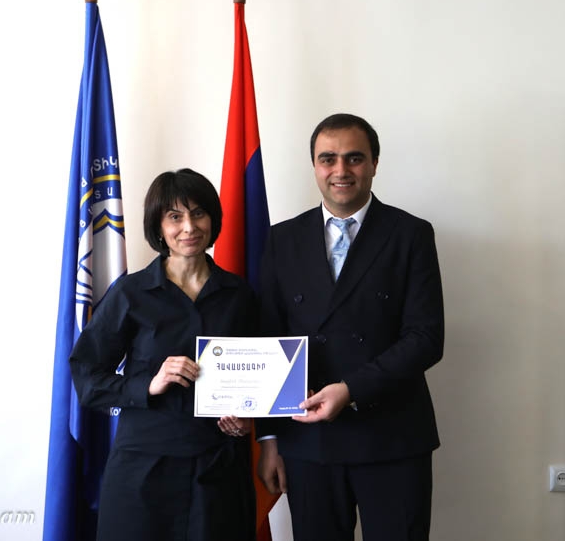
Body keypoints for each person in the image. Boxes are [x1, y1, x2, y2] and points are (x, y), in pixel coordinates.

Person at [256, 113, 445, 541]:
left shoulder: (411, 234)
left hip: (393, 437)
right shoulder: (282, 239)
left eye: (354, 158)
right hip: (308, 440)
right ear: (314, 166)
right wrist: (269, 439)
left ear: (374, 163)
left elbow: (426, 339)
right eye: (328, 159)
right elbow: (269, 339)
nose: (341, 170)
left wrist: (350, 389)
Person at [70, 168, 256, 541]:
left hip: (218, 472)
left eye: (198, 213)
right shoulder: (130, 293)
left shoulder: (241, 295)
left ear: (213, 219)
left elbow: (263, 376)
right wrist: (147, 385)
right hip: (143, 471)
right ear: (158, 225)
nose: (189, 227)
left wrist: (249, 417)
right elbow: (87, 377)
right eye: (175, 216)